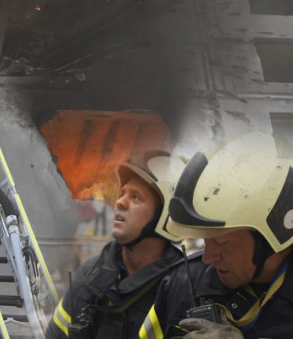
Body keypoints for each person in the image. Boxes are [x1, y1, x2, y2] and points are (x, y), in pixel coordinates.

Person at [138, 133, 293, 339]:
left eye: (221, 242)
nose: (207, 257)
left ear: (273, 237)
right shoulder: (182, 283)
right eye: (206, 240)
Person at [47, 154, 186, 339]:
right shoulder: (90, 276)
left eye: (135, 197)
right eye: (122, 194)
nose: (119, 202)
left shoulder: (184, 288)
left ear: (165, 216)